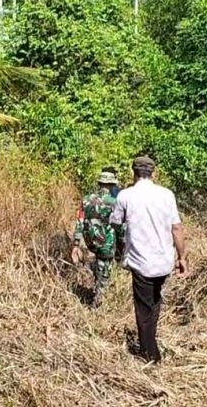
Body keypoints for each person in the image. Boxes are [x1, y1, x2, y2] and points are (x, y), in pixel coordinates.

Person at [110, 156, 188, 364]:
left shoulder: (126, 196)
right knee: (154, 301)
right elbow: (177, 228)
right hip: (163, 262)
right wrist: (182, 258)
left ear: (133, 172)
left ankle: (150, 355)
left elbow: (115, 223)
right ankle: (150, 342)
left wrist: (121, 244)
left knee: (144, 309)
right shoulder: (166, 195)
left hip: (141, 261)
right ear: (154, 173)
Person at [71, 170, 122, 307]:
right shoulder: (115, 202)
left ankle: (97, 283)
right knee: (106, 267)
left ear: (99, 183)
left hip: (90, 241)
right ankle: (98, 298)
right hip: (107, 241)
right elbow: (120, 226)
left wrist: (76, 244)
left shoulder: (86, 200)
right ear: (112, 185)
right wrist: (123, 242)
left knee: (99, 262)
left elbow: (79, 222)